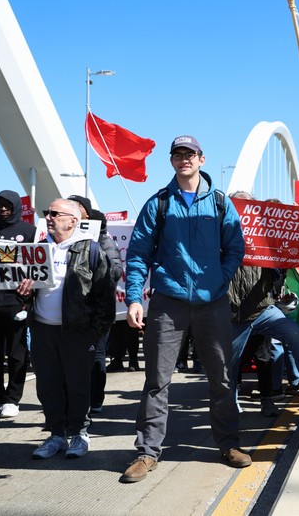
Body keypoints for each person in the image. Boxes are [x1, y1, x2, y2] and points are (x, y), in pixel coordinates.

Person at [121, 135, 250, 483]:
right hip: (168, 302)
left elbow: (235, 248)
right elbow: (138, 255)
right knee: (156, 381)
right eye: (177, 154)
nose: (183, 160)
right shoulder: (158, 204)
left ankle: (228, 444)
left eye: (189, 154)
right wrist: (135, 297)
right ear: (172, 161)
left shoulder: (221, 203)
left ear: (201, 159)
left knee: (222, 378)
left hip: (213, 303)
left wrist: (217, 281)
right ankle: (147, 452)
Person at [226, 190, 299, 414]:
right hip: (232, 313)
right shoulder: (221, 236)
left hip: (262, 307)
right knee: (229, 364)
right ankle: (228, 403)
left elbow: (287, 261)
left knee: (295, 335)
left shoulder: (266, 235)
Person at [15, 198, 115, 459]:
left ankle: (80, 434)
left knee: (77, 384)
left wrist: (95, 333)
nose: (48, 217)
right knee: (48, 385)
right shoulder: (37, 249)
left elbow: (105, 295)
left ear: (72, 220)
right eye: (47, 213)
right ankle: (57, 434)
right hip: (42, 330)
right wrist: (23, 292)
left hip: (77, 332)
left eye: (55, 213)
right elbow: (22, 289)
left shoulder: (90, 250)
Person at [0, 190, 37, 419]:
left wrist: (28, 300)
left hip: (16, 304)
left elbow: (37, 269)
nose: (3, 209)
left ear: (15, 206)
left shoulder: (30, 232)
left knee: (16, 354)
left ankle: (12, 398)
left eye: (7, 204)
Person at [67, 196, 125, 415]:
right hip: (72, 311)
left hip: (97, 309)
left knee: (96, 354)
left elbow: (115, 271)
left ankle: (95, 399)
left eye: (78, 207)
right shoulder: (64, 239)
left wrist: (94, 268)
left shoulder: (103, 240)